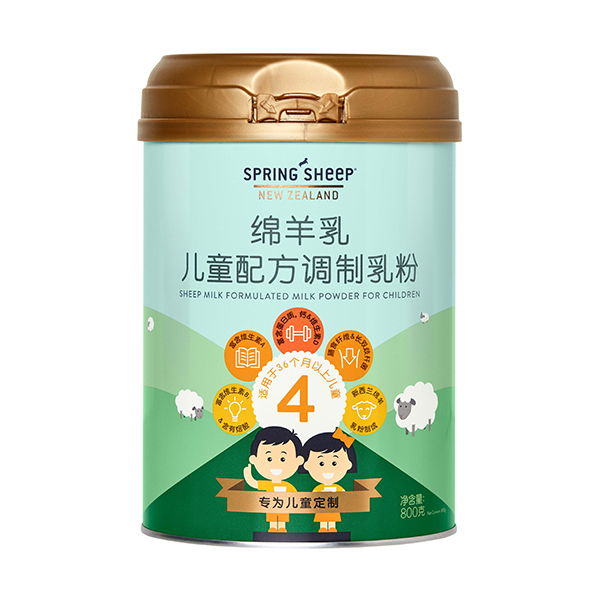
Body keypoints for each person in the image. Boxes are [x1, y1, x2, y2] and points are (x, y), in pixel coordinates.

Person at [243, 426, 304, 532]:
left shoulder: (287, 486)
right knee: (272, 518)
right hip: (270, 505)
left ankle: (282, 527)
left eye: (283, 459)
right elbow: (254, 483)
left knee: (282, 518)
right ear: (254, 459)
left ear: (298, 460)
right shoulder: (268, 484)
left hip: (284, 506)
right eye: (269, 458)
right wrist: (248, 474)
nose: (276, 465)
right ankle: (272, 527)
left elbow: (295, 496)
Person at [300, 428, 357, 533]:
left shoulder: (337, 487)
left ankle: (332, 527)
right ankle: (322, 527)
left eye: (334, 463)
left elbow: (344, 495)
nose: (328, 469)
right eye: (321, 463)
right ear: (306, 465)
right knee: (322, 518)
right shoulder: (319, 488)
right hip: (320, 506)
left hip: (333, 505)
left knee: (332, 518)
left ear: (348, 464)